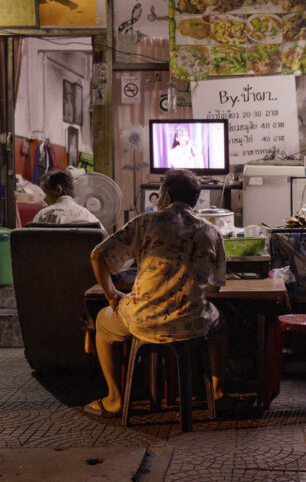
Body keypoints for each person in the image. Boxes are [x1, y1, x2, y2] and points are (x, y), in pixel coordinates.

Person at [86, 169, 230, 417]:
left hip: (143, 321)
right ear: (195, 199)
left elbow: (98, 255)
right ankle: (216, 393)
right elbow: (216, 286)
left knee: (102, 320)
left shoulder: (146, 222)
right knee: (220, 322)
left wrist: (112, 296)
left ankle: (115, 399)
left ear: (166, 194)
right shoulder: (212, 232)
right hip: (192, 325)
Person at [32, 170, 103, 228]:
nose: (44, 199)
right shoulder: (92, 219)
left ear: (58, 189)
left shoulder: (43, 216)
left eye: (46, 193)